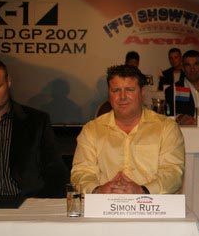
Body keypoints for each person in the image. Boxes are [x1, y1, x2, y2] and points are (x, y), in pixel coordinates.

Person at [71, 65, 185, 194]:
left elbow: (173, 173)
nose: (122, 96)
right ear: (108, 94)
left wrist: (143, 191)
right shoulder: (92, 130)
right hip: (104, 207)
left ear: (142, 92)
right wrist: (98, 191)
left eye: (129, 90)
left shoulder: (166, 128)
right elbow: (81, 172)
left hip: (153, 208)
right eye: (116, 90)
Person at [0, 59, 68, 197]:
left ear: (8, 82)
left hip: (26, 204)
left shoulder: (36, 121)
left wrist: (41, 205)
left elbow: (56, 171)